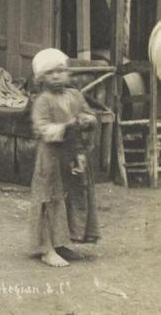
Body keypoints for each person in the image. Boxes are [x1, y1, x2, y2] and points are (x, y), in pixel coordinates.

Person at [30, 48, 100, 268]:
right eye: (51, 73)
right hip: (51, 157)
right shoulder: (42, 101)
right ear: (41, 77)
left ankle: (61, 243)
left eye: (61, 71)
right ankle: (47, 248)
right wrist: (67, 125)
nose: (57, 76)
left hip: (72, 153)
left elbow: (90, 114)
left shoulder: (75, 96)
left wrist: (88, 120)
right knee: (49, 198)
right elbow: (42, 128)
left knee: (70, 197)